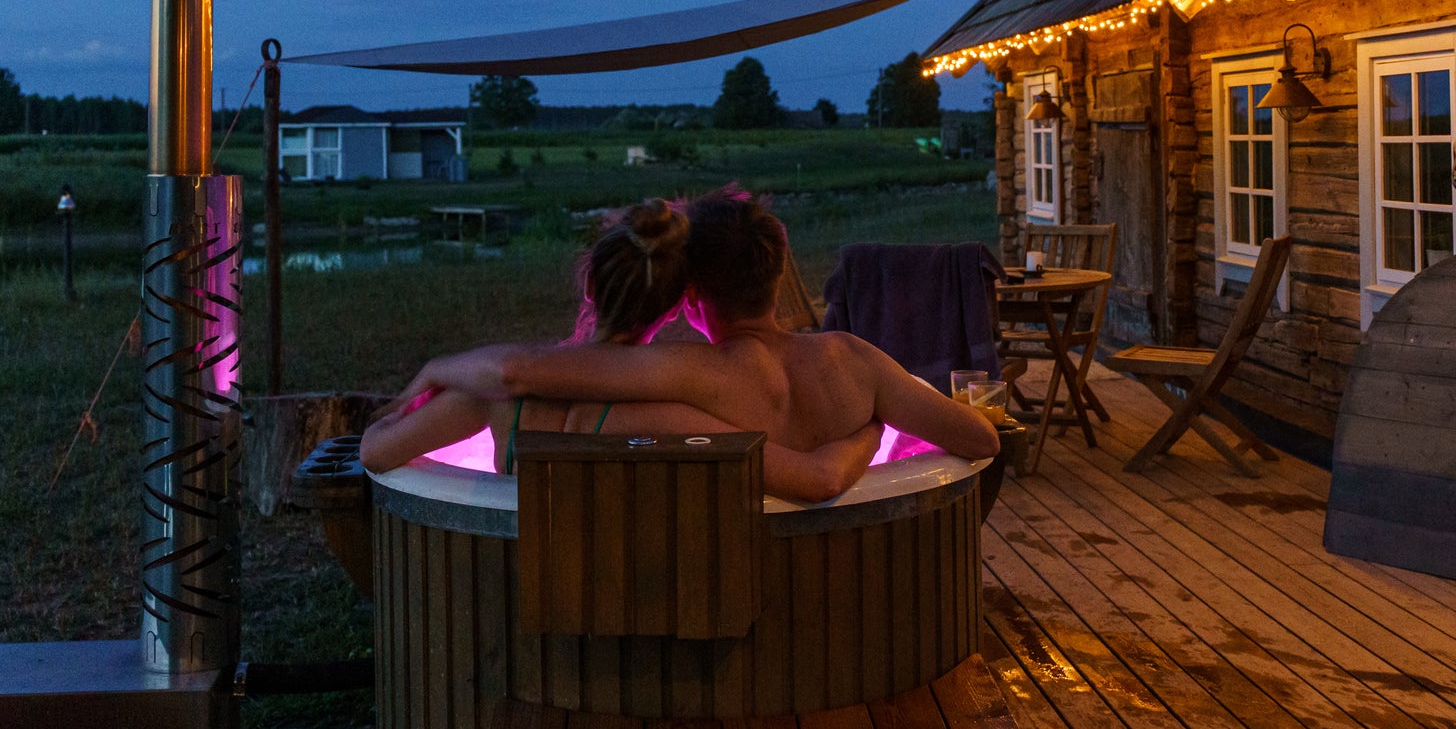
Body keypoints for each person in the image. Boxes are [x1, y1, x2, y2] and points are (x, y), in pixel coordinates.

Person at [384, 187, 1000, 464]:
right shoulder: (857, 361)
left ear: (691, 295)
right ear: (779, 272)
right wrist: (868, 429)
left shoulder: (690, 375)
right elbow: (982, 440)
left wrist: (435, 369)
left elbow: (518, 372)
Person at [361, 198, 882, 502]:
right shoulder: (673, 415)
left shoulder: (492, 398)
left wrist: (420, 390)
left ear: (590, 284)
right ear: (675, 307)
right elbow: (818, 477)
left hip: (527, 607)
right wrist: (871, 430)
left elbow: (376, 452)